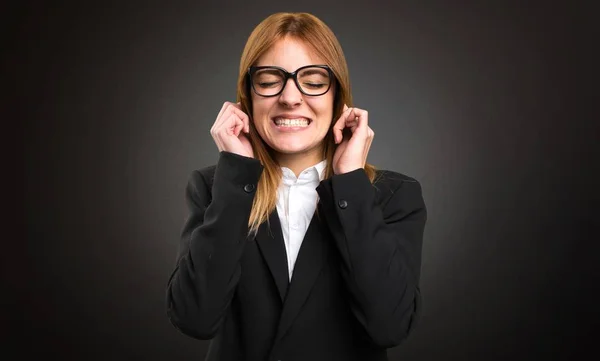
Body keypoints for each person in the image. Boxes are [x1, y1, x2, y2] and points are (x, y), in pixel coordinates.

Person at [166, 11, 427, 361]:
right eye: (270, 79)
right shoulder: (215, 187)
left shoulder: (394, 195)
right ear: (248, 95)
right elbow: (194, 318)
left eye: (314, 80)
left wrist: (349, 182)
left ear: (337, 96)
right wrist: (237, 174)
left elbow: (390, 326)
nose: (290, 98)